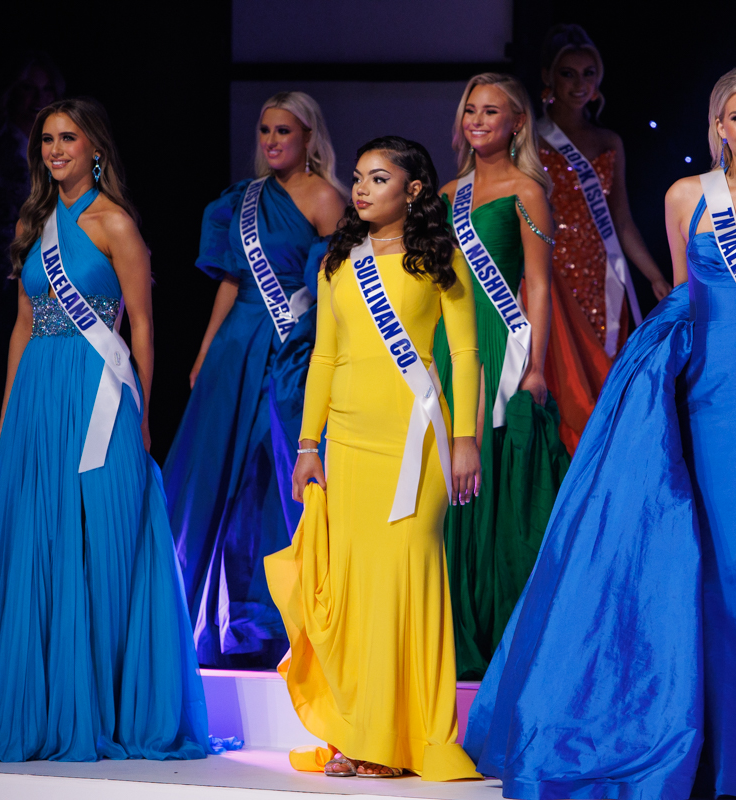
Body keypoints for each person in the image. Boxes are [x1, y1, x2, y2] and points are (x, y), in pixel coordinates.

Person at [465, 65, 736, 800]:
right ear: (718, 127)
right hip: (693, 395)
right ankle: (705, 746)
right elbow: (683, 300)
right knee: (693, 563)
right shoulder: (684, 196)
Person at [0, 98, 211, 762]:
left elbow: (143, 327)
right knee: (38, 539)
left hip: (100, 389)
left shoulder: (115, 223)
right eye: (47, 139)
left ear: (94, 148)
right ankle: (38, 702)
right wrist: (5, 413)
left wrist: (142, 415)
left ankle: (104, 704)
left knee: (102, 537)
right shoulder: (33, 221)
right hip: (41, 391)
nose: (55, 150)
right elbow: (22, 324)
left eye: (68, 138)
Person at [265, 136, 482, 781]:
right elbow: (325, 357)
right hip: (350, 443)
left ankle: (405, 739)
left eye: (378, 179)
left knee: (404, 582)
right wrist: (309, 445)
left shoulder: (440, 256)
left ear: (413, 191)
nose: (360, 189)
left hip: (416, 439)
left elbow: (465, 354)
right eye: (358, 177)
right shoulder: (340, 260)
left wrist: (465, 439)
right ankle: (358, 733)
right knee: (356, 591)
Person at [163, 92, 346, 669]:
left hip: (293, 349)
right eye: (265, 130)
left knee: (278, 477)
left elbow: (335, 287)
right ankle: (204, 617)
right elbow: (229, 281)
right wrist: (204, 350)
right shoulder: (242, 201)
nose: (271, 141)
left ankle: (281, 619)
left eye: (283, 131)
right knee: (219, 475)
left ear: (309, 137)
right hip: (236, 345)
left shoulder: (327, 199)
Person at [433, 74, 570, 680]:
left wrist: (536, 365)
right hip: (447, 344)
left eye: (492, 111)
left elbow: (537, 285)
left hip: (499, 340)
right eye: (471, 110)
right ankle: (448, 620)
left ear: (517, 123)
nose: (478, 120)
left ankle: (496, 624)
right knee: (445, 476)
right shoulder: (445, 194)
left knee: (487, 475)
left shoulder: (528, 191)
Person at [535, 24, 672, 452]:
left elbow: (622, 220)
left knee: (604, 382)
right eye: (568, 73)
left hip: (602, 281)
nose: (580, 84)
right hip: (551, 279)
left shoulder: (609, 141)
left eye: (588, 73)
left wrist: (654, 276)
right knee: (564, 388)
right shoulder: (529, 141)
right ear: (548, 78)